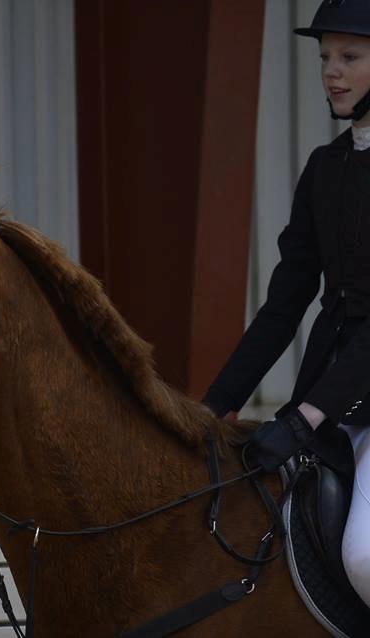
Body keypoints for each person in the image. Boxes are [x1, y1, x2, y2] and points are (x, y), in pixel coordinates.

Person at [201, 0, 370, 608]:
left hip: (342, 406)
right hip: (330, 400)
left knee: (367, 558)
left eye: (349, 57)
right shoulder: (324, 168)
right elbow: (283, 306)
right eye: (325, 57)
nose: (331, 71)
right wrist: (212, 406)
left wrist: (305, 418)